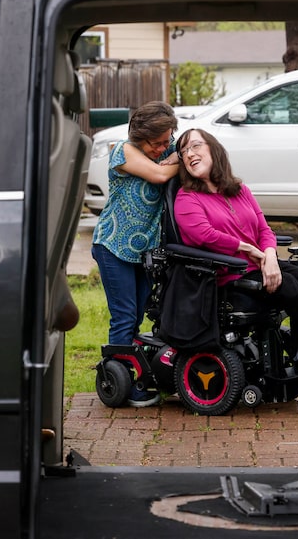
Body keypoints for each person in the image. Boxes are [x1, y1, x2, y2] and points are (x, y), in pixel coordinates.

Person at [172, 128, 298, 372]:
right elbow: (202, 234)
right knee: (290, 287)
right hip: (227, 274)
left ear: (213, 149)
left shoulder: (239, 190)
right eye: (183, 151)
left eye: (195, 146)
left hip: (254, 265)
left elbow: (264, 230)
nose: (189, 154)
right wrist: (246, 248)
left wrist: (270, 256)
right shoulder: (187, 198)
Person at [92, 101, 179, 407]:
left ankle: (132, 374)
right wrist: (175, 161)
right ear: (140, 137)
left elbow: (177, 159)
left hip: (141, 252)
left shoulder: (165, 153)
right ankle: (120, 381)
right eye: (156, 143)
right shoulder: (123, 151)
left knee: (139, 312)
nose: (163, 148)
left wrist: (176, 155)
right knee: (125, 315)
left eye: (168, 141)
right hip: (113, 246)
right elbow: (158, 176)